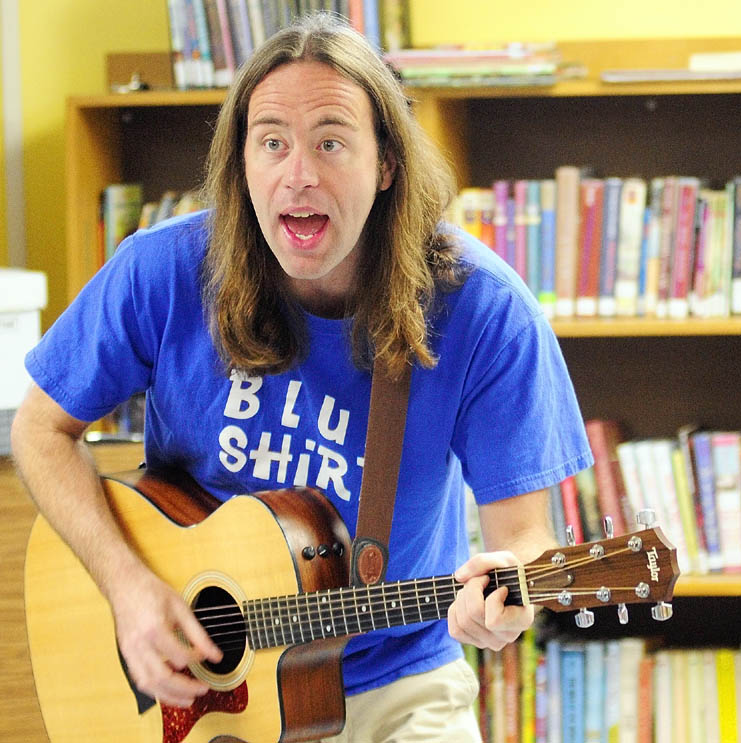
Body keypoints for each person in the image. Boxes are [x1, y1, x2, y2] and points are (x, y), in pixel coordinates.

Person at [11, 12, 592, 742]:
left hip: (396, 682)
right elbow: (40, 426)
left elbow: (526, 544)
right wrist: (126, 587)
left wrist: (504, 597)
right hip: (203, 697)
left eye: (331, 141)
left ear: (386, 165)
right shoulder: (162, 269)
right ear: (241, 163)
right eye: (273, 143)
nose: (299, 174)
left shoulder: (485, 311)